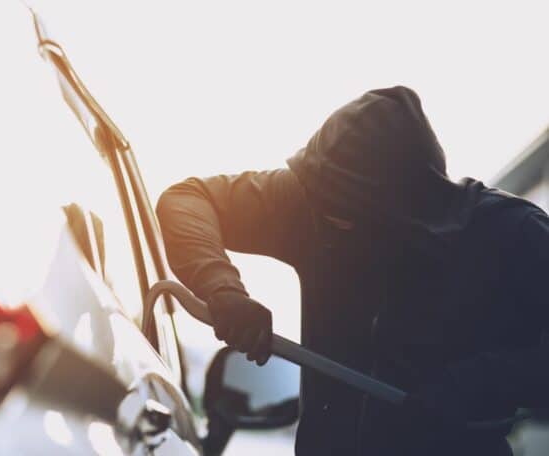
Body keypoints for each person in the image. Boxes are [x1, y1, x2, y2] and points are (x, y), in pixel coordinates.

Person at [156, 86, 549, 456]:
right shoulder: (313, 199)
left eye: (341, 218)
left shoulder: (512, 235)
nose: (323, 224)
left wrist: (480, 382)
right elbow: (188, 198)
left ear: (405, 209)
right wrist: (222, 288)